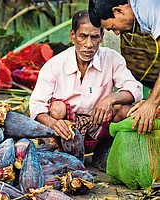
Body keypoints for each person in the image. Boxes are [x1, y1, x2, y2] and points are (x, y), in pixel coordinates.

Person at [29, 10, 143, 172]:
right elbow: (36, 106)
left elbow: (136, 90)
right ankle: (65, 152)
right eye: (83, 36)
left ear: (102, 37)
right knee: (56, 109)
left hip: (100, 125)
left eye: (94, 37)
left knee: (126, 110)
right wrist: (54, 124)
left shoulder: (111, 59)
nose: (88, 44)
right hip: (67, 131)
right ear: (72, 36)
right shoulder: (55, 65)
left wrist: (110, 99)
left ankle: (103, 150)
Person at [88, 0, 160, 134]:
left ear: (118, 11)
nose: (116, 33)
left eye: (112, 28)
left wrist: (152, 103)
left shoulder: (147, 7)